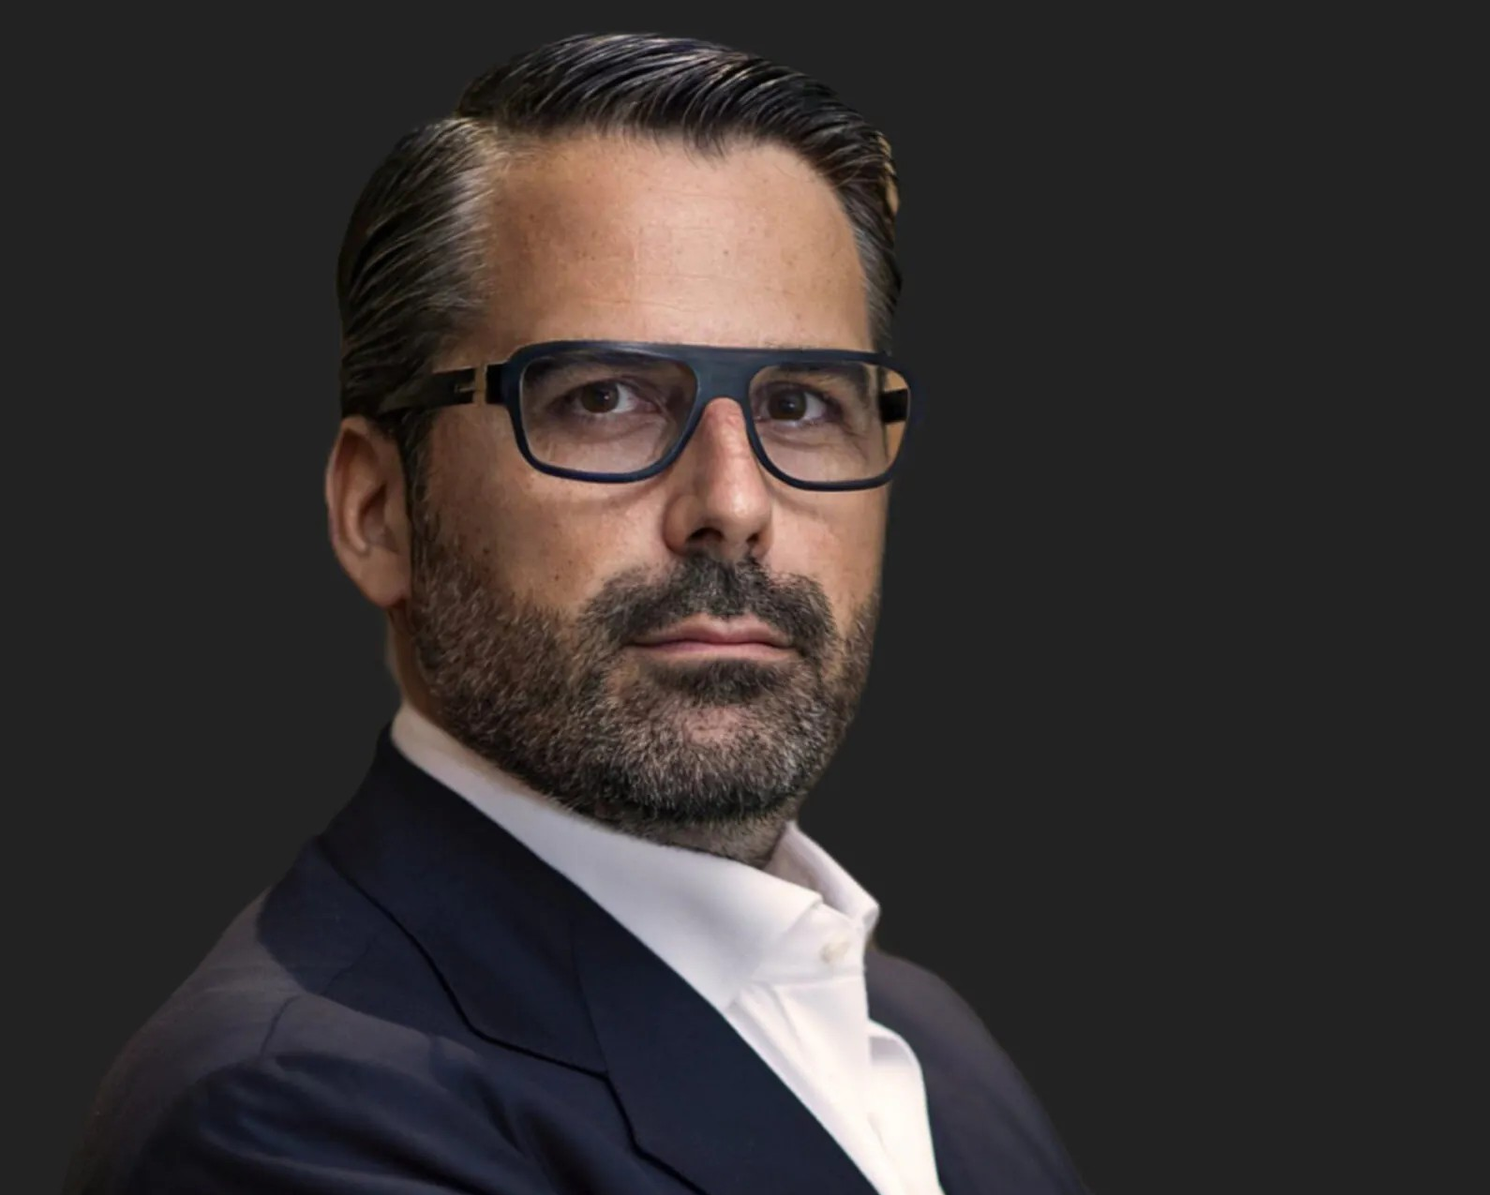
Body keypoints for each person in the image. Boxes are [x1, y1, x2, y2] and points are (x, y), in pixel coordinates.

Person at [63, 30, 1087, 1195]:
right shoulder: (284, 1119)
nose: (733, 505)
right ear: (377, 510)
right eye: (603, 398)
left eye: (801, 404)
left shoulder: (933, 1049)